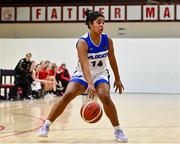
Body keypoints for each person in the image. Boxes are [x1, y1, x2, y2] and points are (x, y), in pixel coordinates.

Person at [38, 9, 128, 142]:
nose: (102, 25)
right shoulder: (83, 42)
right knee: (68, 95)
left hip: (100, 73)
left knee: (105, 97)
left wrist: (118, 79)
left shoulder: (107, 40)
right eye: (99, 22)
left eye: (103, 22)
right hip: (82, 74)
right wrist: (90, 84)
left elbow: (112, 59)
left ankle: (118, 130)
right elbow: (85, 66)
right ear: (91, 24)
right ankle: (46, 125)